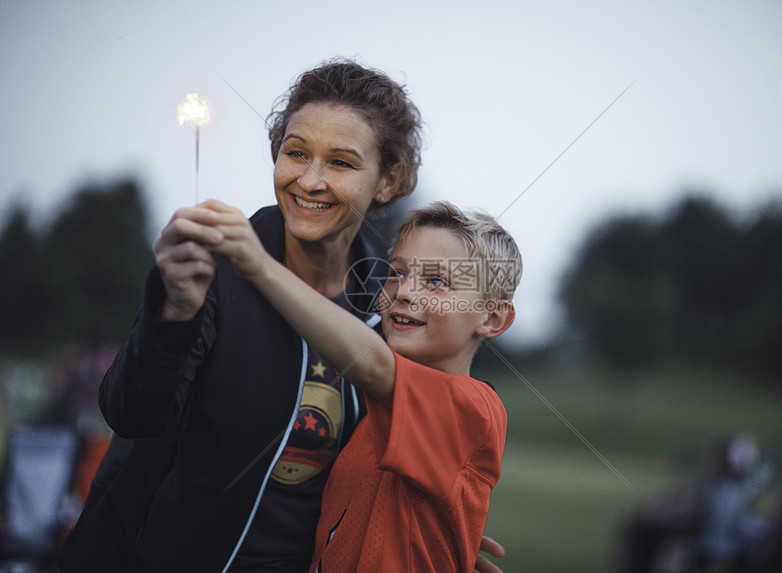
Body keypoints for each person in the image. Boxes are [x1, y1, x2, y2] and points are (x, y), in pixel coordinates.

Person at [60, 59, 503, 573]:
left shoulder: (392, 308)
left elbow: (392, 452)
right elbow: (133, 414)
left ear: (388, 181)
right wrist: (173, 314)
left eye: (340, 162)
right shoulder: (211, 270)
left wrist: (428, 530)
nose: (309, 180)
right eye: (296, 153)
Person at [193, 199, 520, 571]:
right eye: (397, 273)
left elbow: (370, 365)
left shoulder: (476, 409)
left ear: (492, 318)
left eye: (437, 281)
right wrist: (447, 534)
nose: (405, 292)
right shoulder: (374, 414)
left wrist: (261, 266)